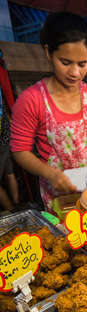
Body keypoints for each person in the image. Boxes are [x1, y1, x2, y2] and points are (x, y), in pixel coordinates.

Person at [10, 12, 87, 210]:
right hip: (58, 199)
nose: (75, 73)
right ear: (48, 52)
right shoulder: (31, 99)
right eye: (66, 62)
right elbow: (20, 150)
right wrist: (50, 174)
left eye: (82, 64)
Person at [0, 62, 19, 210]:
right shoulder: (2, 71)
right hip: (7, 132)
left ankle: (13, 213)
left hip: (2, 135)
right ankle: (18, 206)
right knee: (9, 172)